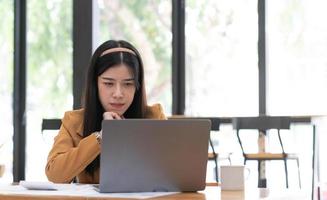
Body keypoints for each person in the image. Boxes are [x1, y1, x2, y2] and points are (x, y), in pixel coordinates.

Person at [45, 40, 166, 183]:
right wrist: (101, 137)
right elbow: (55, 175)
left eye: (128, 84)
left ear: (137, 86)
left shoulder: (154, 117)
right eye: (109, 83)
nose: (118, 93)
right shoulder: (74, 121)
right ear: (95, 85)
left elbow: (173, 173)